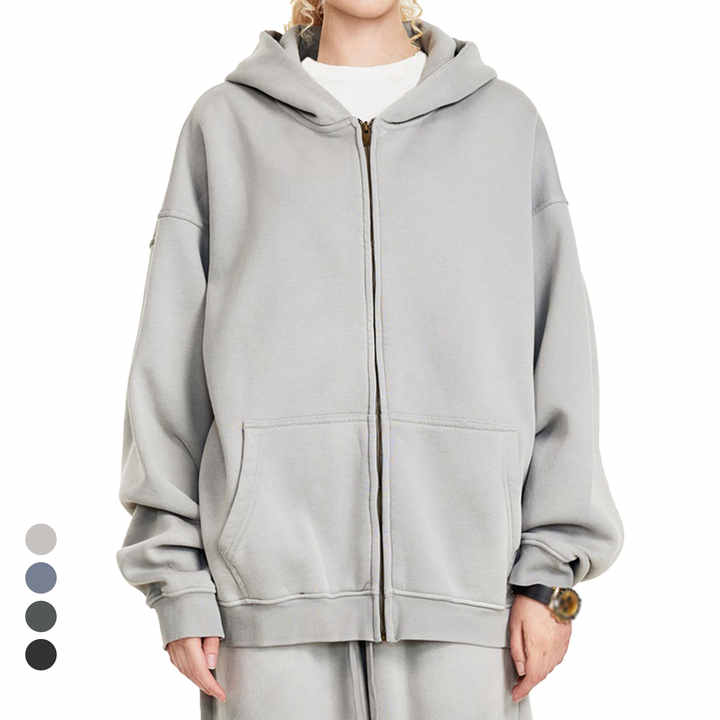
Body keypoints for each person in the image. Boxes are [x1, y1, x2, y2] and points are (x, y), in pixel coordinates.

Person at [117, 2, 623, 718]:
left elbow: (561, 354)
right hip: (264, 621)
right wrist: (177, 584)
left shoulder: (506, 125)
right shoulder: (224, 126)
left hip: (468, 616)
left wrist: (551, 583)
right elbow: (167, 374)